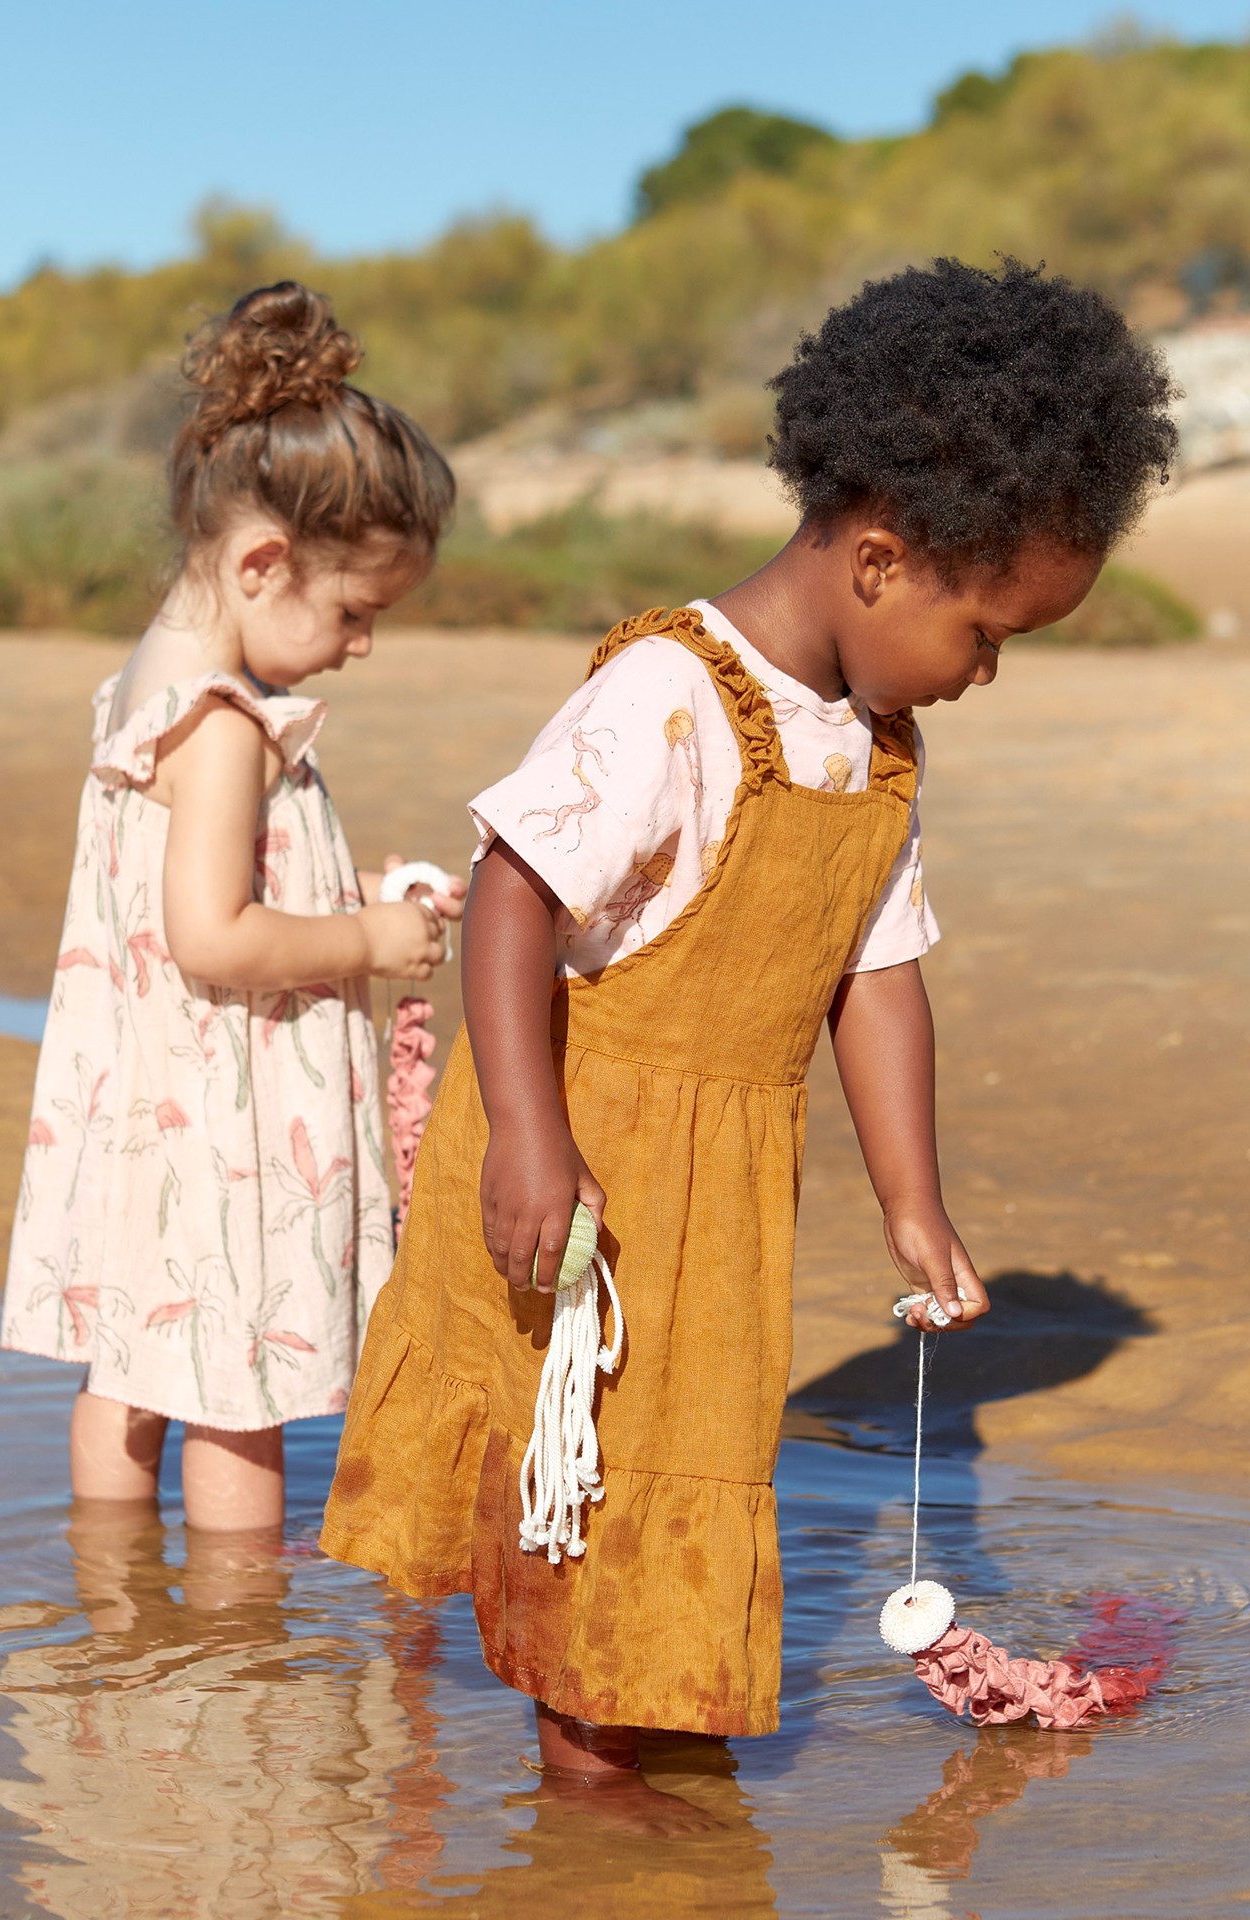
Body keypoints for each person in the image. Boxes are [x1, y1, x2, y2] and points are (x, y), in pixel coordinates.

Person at [320, 258, 1178, 1827]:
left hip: (721, 1184)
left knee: (686, 1447)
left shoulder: (881, 749)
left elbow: (877, 976)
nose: (985, 673)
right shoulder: (668, 693)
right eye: (988, 632)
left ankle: (635, 1710)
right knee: (583, 1442)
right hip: (577, 1148)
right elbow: (514, 898)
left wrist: (912, 1204)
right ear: (878, 560)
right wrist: (527, 1132)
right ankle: (585, 1770)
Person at [2, 282, 463, 1533]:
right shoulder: (221, 724)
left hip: (141, 1105)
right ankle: (232, 1647)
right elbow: (213, 933)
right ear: (264, 563)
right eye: (355, 611)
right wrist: (367, 941)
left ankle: (117, 1604)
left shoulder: (147, 685)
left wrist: (357, 890)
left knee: (131, 1372)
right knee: (235, 1390)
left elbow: (214, 886)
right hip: (220, 1117)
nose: (361, 645)